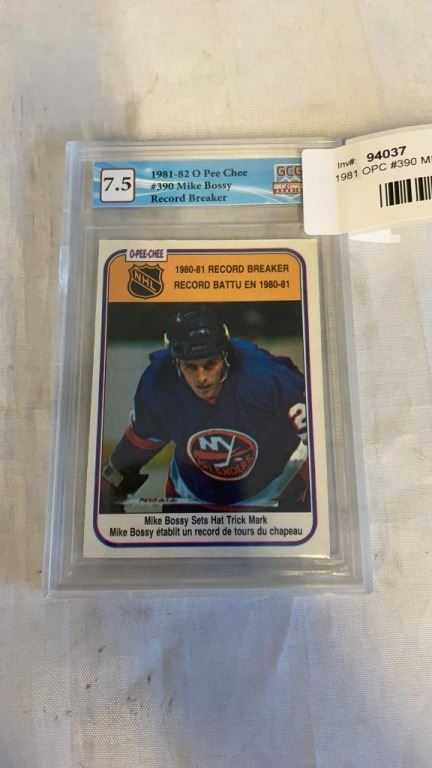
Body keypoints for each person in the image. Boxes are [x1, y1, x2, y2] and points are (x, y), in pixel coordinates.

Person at [100, 305, 309, 513]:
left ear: (225, 356)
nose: (202, 378)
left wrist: (311, 490)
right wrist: (110, 480)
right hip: (190, 493)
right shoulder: (158, 382)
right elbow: (139, 443)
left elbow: (316, 446)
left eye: (210, 365)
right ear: (175, 362)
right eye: (190, 366)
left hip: (271, 493)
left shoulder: (268, 377)